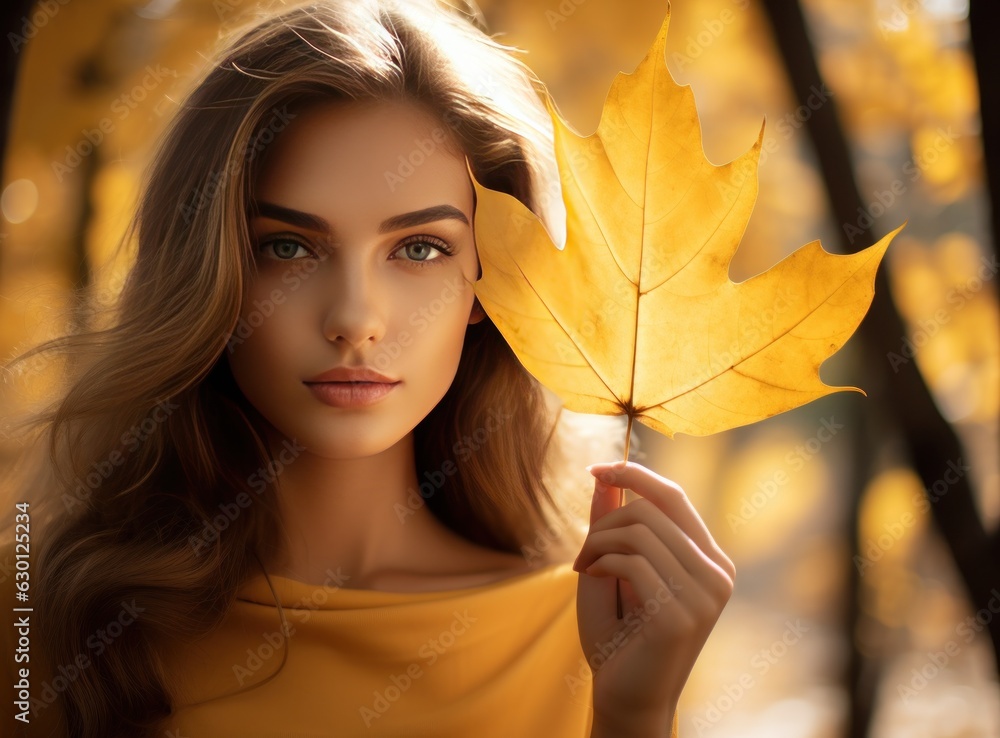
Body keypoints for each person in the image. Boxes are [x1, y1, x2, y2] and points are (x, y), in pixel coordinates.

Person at [0, 0, 735, 735]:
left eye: (419, 249)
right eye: (288, 247)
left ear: (495, 280)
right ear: (208, 271)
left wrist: (636, 713)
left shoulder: (602, 636)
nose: (354, 319)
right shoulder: (41, 617)